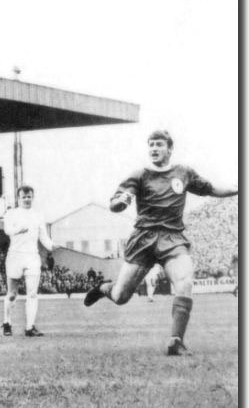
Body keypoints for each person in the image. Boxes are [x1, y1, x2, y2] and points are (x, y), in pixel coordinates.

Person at [84, 130, 238, 355]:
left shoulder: (183, 173)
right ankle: (104, 288)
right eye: (151, 145)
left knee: (185, 281)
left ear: (169, 148)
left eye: (159, 144)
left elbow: (212, 189)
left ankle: (176, 340)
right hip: (143, 240)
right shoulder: (139, 175)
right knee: (120, 297)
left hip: (172, 239)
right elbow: (115, 203)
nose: (154, 148)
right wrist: (121, 202)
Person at [1, 185, 61, 337]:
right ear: (18, 198)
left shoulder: (38, 215)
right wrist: (18, 230)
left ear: (32, 197)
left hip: (32, 257)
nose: (27, 199)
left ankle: (30, 327)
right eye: (24, 197)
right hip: (15, 256)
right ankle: (7, 322)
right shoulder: (11, 213)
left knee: (32, 294)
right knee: (12, 294)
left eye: (29, 197)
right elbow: (7, 230)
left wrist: (51, 246)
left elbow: (44, 237)